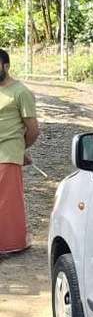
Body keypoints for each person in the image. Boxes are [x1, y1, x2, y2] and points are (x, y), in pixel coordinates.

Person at [0, 49, 40, 255]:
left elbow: (33, 130)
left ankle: (10, 244)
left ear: (6, 66)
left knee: (7, 201)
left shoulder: (20, 92)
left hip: (8, 153)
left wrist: (19, 149)